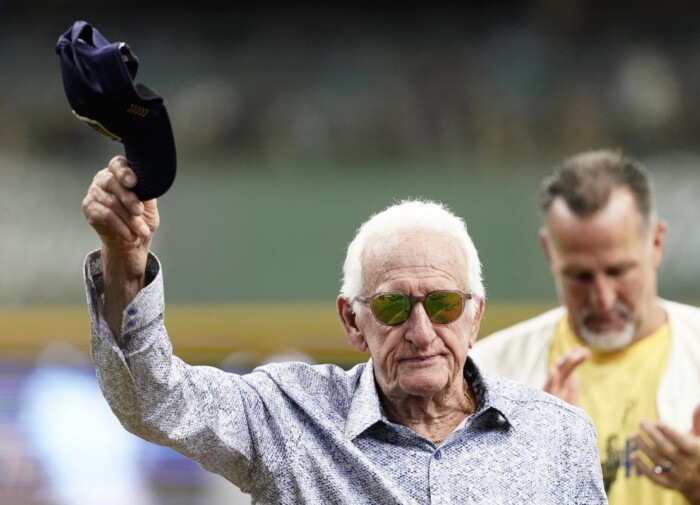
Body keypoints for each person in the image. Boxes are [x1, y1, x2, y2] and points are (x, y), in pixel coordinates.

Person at [80, 156, 607, 504]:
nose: (422, 332)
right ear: (352, 321)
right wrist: (124, 258)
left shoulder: (558, 436)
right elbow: (152, 398)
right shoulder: (289, 416)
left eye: (443, 304)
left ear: (476, 316)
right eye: (394, 307)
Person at [471, 150, 700, 505]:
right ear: (550, 253)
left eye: (618, 271)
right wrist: (534, 466)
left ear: (656, 242)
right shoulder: (488, 374)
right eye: (580, 276)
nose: (603, 298)